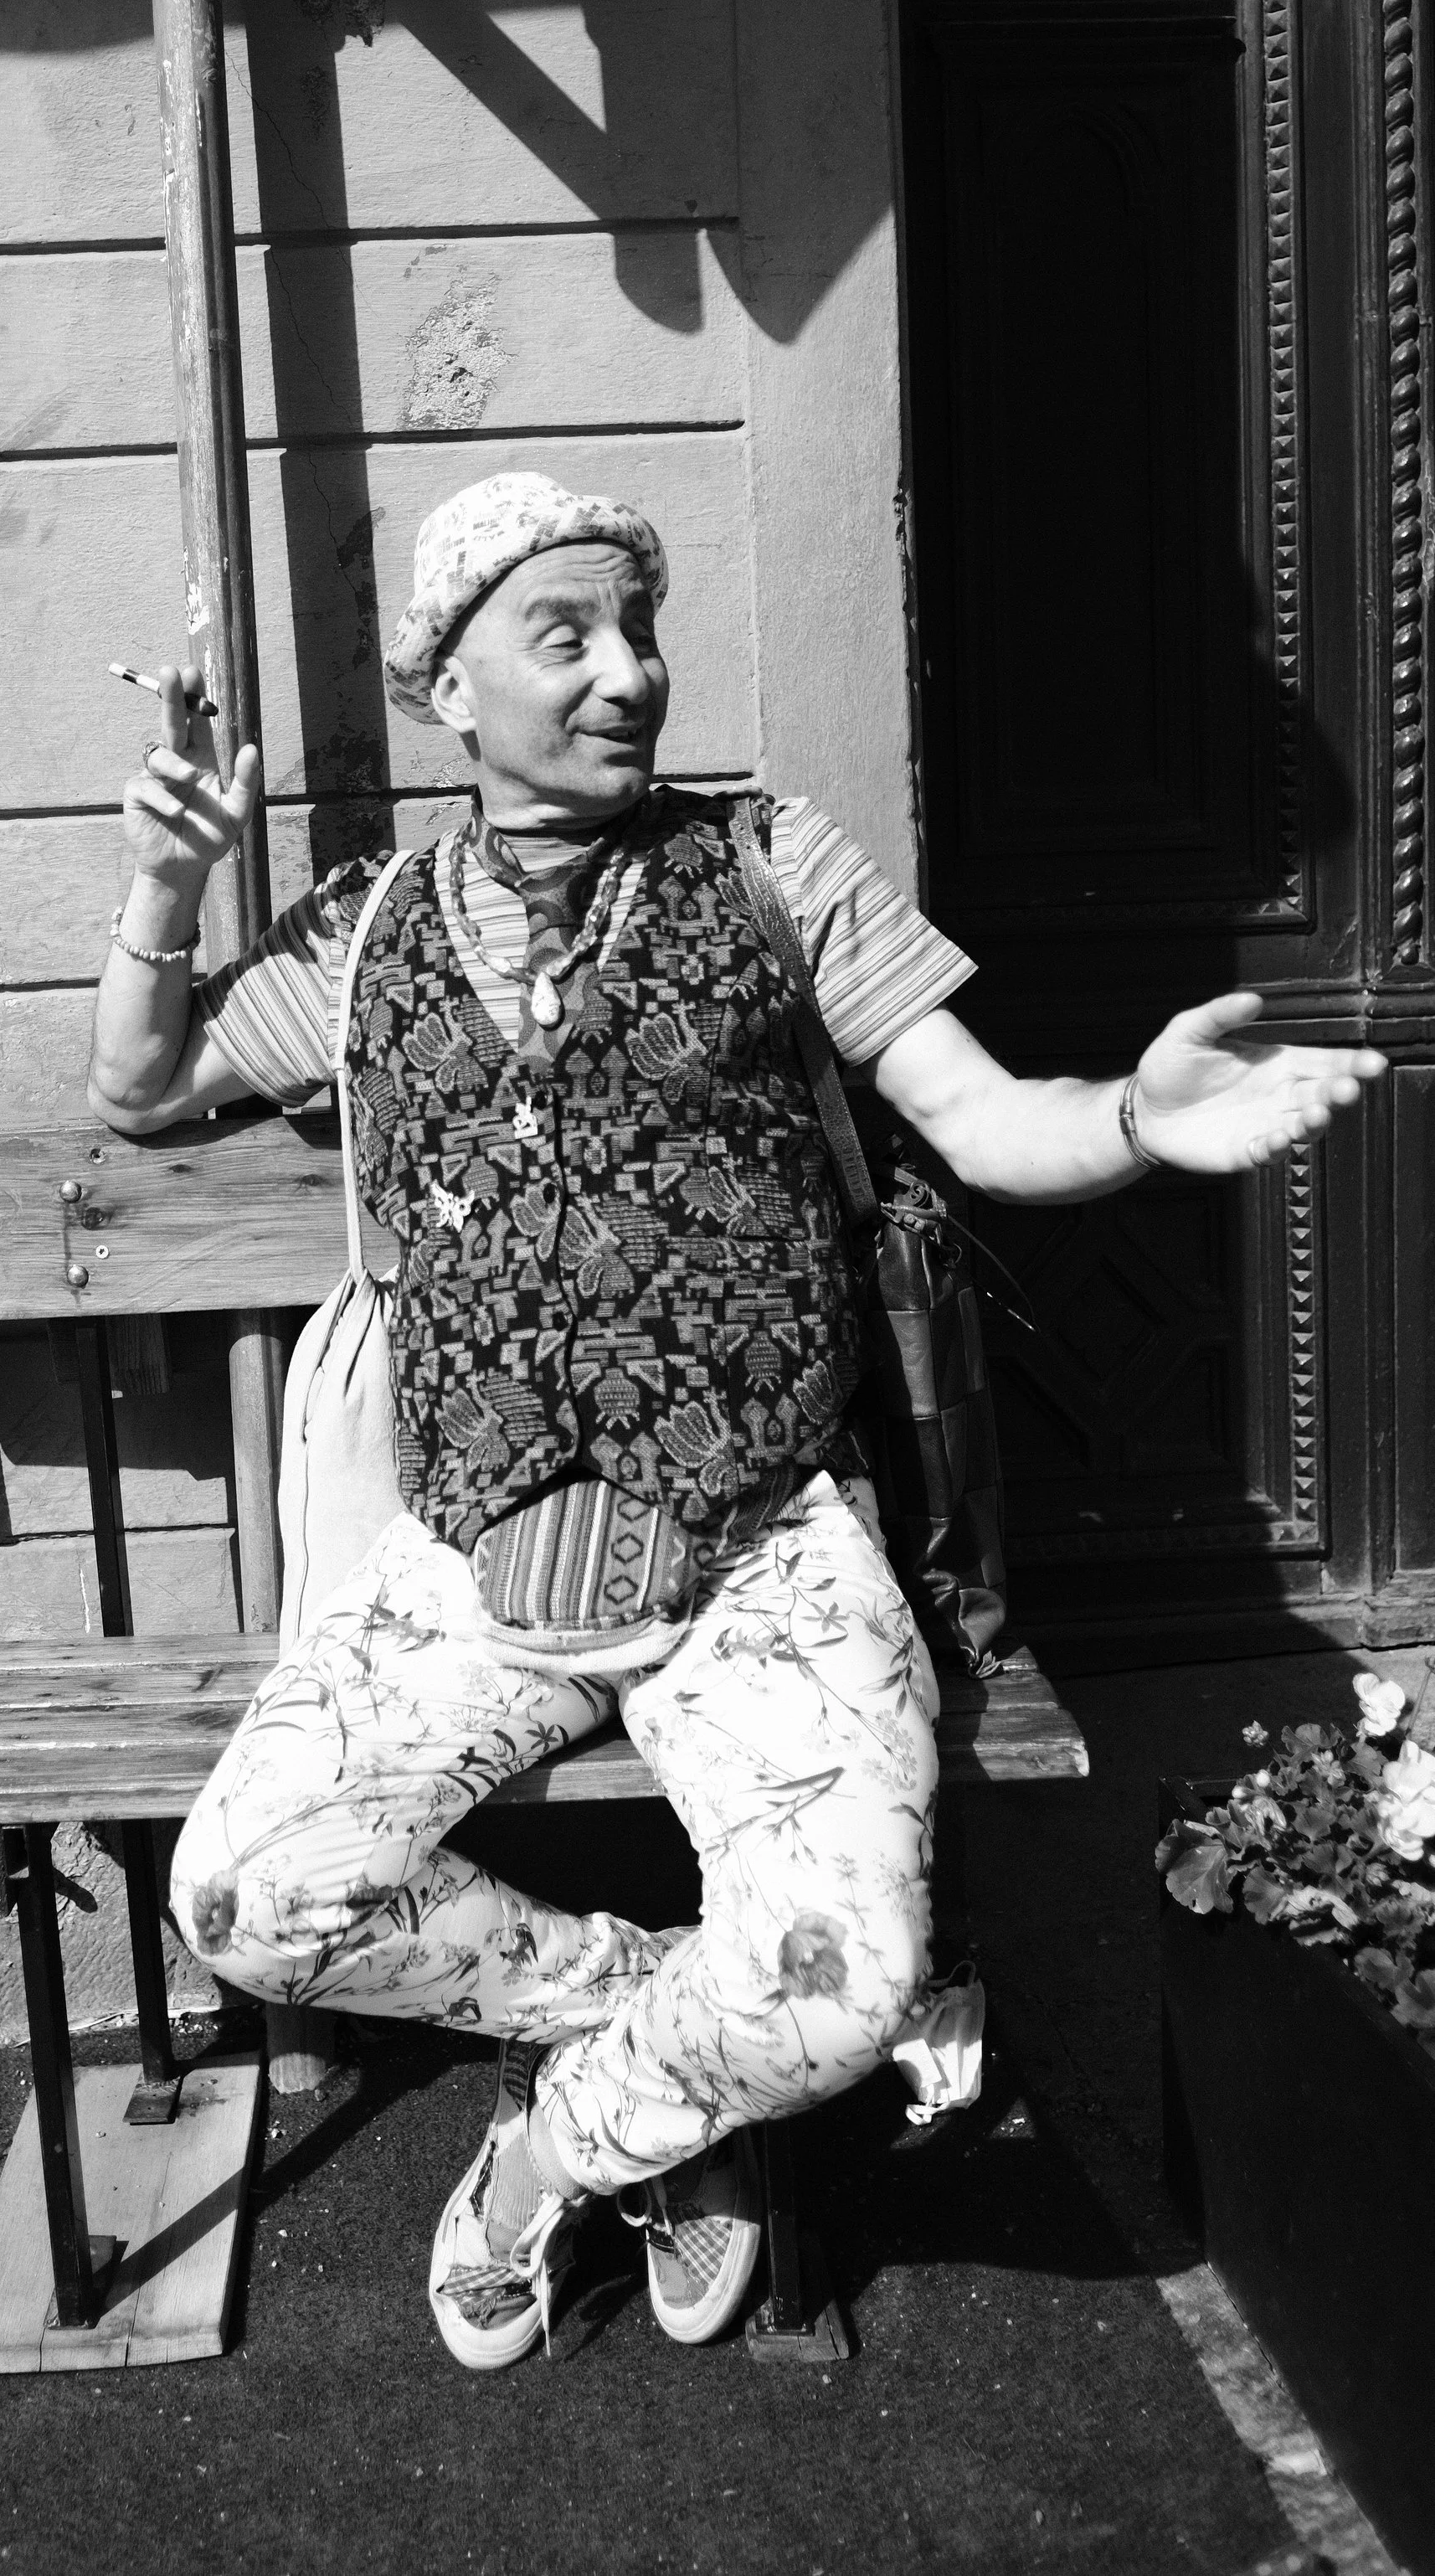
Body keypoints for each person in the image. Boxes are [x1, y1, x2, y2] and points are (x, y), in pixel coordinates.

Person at [86, 471, 1381, 2372]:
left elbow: (981, 1115)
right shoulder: (364, 928)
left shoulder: (775, 863)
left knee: (855, 1980)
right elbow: (141, 1089)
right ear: (448, 687)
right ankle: (672, 2040)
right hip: (470, 1555)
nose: (628, 672)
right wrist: (165, 884)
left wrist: (1128, 1118)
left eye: (641, 629)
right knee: (245, 1895)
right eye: (565, 635)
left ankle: (557, 2150)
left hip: (762, 1541)